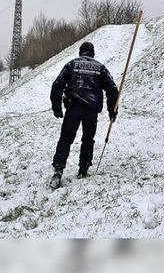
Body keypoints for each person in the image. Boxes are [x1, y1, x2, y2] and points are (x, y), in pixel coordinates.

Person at [49, 42, 119, 189]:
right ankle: (83, 169)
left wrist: (56, 106)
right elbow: (112, 90)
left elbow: (57, 85)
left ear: (81, 52)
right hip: (91, 111)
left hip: (73, 108)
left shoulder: (72, 65)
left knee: (66, 139)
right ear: (92, 53)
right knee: (88, 139)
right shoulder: (101, 68)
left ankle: (58, 170)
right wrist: (112, 110)